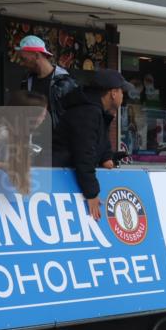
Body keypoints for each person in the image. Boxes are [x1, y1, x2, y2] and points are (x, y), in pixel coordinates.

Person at [52, 69, 128, 221]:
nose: (123, 96)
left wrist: (106, 157)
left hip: (67, 176)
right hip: (60, 179)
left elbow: (99, 140)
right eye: (121, 91)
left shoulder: (96, 111)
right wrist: (92, 193)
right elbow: (84, 153)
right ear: (113, 93)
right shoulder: (88, 112)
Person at [17, 35, 77, 131]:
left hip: (57, 142)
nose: (21, 63)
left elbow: (75, 116)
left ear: (37, 55)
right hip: (32, 140)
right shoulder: (26, 81)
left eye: (24, 59)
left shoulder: (64, 83)